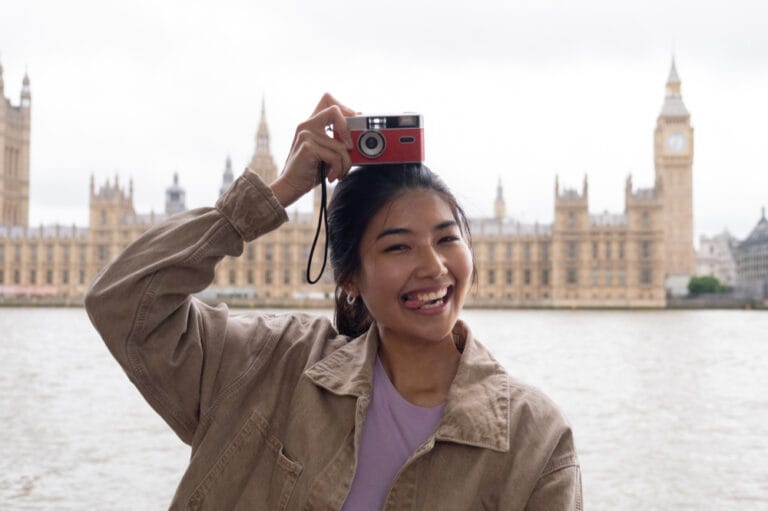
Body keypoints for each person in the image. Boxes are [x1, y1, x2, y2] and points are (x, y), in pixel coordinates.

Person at [86, 93, 582, 510]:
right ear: (348, 277)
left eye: (447, 238)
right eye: (398, 245)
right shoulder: (265, 365)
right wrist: (275, 195)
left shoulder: (537, 442)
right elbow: (122, 300)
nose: (433, 265)